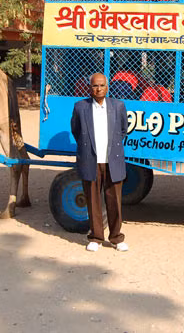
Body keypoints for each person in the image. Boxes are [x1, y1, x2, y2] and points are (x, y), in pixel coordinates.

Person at [70, 73, 129, 252]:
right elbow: (76, 131)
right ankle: (96, 237)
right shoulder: (81, 107)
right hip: (91, 161)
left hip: (112, 161)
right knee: (93, 201)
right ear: (90, 87)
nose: (98, 89)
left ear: (107, 86)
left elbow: (123, 130)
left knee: (114, 201)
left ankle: (116, 238)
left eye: (102, 85)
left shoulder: (118, 106)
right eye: (95, 86)